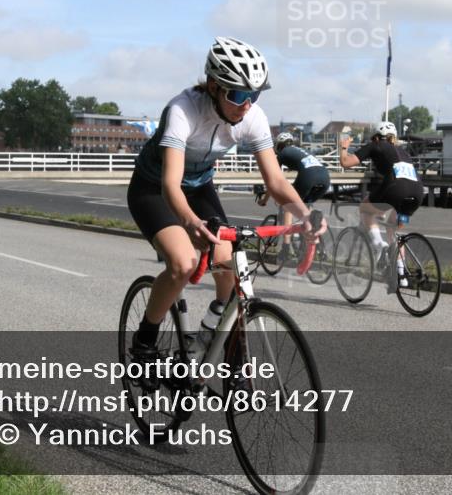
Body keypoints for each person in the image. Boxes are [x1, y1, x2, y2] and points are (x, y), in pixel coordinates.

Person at [128, 37, 326, 360]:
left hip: (199, 187)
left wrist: (305, 215)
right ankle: (145, 341)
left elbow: (275, 181)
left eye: (254, 95)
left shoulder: (252, 117)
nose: (246, 104)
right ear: (212, 86)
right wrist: (190, 222)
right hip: (154, 189)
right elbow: (170, 184)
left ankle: (220, 335)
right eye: (237, 95)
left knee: (232, 267)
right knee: (183, 263)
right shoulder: (183, 110)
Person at [338, 121, 424, 291]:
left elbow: (346, 163)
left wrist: (343, 147)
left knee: (365, 208)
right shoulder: (404, 152)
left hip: (396, 189)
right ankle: (401, 275)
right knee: (394, 230)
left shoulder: (375, 145)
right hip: (417, 193)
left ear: (377, 136)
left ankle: (379, 245)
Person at [257, 131, 330, 255]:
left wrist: (264, 200)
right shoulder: (299, 151)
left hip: (309, 176)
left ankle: (285, 247)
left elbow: (273, 181)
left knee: (288, 207)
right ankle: (315, 244)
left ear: (278, 145)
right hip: (325, 177)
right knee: (306, 208)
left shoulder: (282, 154)